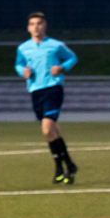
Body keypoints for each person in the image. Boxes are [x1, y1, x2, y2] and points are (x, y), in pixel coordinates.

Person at [15, 11, 79, 184]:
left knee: (46, 128)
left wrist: (61, 67)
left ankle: (60, 167)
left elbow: (72, 58)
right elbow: (18, 64)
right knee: (52, 132)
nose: (36, 27)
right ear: (28, 28)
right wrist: (23, 72)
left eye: (39, 23)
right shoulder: (23, 48)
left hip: (53, 89)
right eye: (33, 24)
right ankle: (68, 166)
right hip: (35, 91)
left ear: (45, 26)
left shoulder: (56, 45)